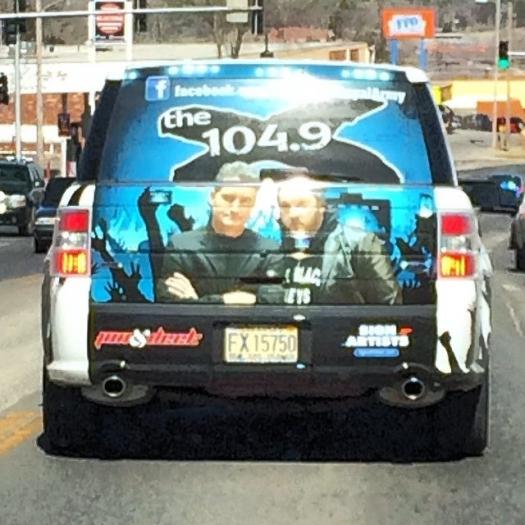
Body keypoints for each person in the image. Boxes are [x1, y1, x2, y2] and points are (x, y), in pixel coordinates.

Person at [261, 173, 402, 305]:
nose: (293, 214)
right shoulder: (272, 248)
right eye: (285, 206)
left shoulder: (360, 243)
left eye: (302, 204)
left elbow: (389, 303)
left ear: (321, 206)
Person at [156, 161, 278, 304]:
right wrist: (232, 300)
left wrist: (198, 302)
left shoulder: (270, 251)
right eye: (228, 198)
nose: (235, 209)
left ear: (253, 204)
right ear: (212, 197)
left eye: (245, 201)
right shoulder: (180, 246)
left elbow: (274, 301)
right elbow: (168, 302)